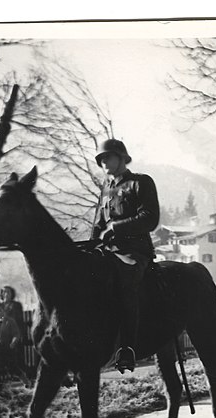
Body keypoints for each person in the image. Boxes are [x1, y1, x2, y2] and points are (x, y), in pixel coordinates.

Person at [91, 138, 160, 373]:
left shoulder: (140, 183)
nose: (103, 162)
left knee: (126, 284)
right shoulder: (106, 189)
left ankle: (127, 348)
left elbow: (150, 218)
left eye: (107, 157)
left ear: (121, 157)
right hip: (109, 252)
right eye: (100, 159)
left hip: (135, 253)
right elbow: (98, 225)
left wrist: (116, 228)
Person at [0, 286, 25, 378]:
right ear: (1, 294)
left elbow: (19, 320)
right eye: (4, 292)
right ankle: (7, 376)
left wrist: (20, 334)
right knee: (3, 357)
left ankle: (19, 376)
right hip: (3, 335)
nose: (6, 294)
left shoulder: (16, 305)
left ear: (12, 294)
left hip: (14, 333)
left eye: (8, 292)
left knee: (15, 356)